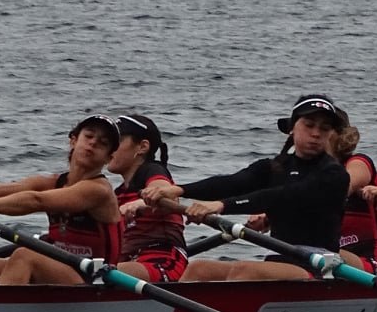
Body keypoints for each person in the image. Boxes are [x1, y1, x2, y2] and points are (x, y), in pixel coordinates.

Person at [144, 95, 352, 281]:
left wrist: (219, 206)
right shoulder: (274, 167)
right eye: (309, 125)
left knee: (245, 271)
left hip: (320, 267)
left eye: (324, 128)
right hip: (279, 260)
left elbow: (281, 197)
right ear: (292, 127)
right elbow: (233, 182)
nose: (316, 133)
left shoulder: (334, 174)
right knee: (199, 269)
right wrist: (179, 190)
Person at [0, 115, 123, 285]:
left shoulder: (98, 190)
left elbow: (36, 201)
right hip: (60, 269)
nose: (93, 143)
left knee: (25, 256)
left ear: (108, 158)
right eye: (89, 136)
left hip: (95, 279)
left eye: (103, 143)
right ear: (73, 140)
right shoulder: (53, 181)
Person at [110, 113, 191, 283]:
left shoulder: (153, 170)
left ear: (142, 147)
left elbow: (167, 194)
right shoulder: (118, 193)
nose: (109, 148)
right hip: (132, 262)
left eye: (117, 142)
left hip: (164, 261)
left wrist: (140, 203)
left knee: (97, 273)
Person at [333, 117, 377, 276]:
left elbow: (344, 186)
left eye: (317, 128)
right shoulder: (305, 175)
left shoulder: (358, 162)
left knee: (314, 250)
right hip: (335, 263)